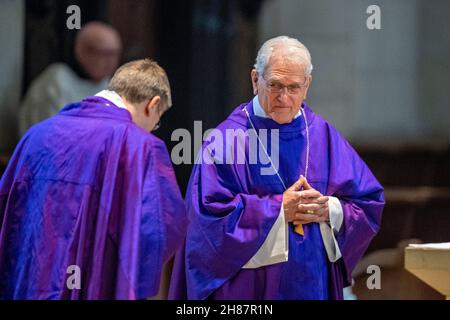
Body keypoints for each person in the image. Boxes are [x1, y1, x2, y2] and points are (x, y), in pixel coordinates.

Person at [169, 36, 385, 300]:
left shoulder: (322, 134)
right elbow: (206, 220)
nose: (284, 97)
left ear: (307, 85)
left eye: (294, 87)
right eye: (275, 85)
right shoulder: (226, 140)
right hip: (251, 287)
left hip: (312, 282)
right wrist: (278, 209)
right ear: (254, 80)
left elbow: (368, 202)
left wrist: (329, 209)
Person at [0, 59, 186, 299]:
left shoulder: (36, 134)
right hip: (91, 285)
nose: (153, 128)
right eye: (157, 122)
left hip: (28, 284)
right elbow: (162, 228)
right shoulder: (141, 147)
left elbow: (7, 208)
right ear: (153, 104)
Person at [19, 21, 122, 136]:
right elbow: (52, 137)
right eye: (105, 54)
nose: (111, 61)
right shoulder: (56, 82)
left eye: (115, 54)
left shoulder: (108, 85)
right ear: (82, 51)